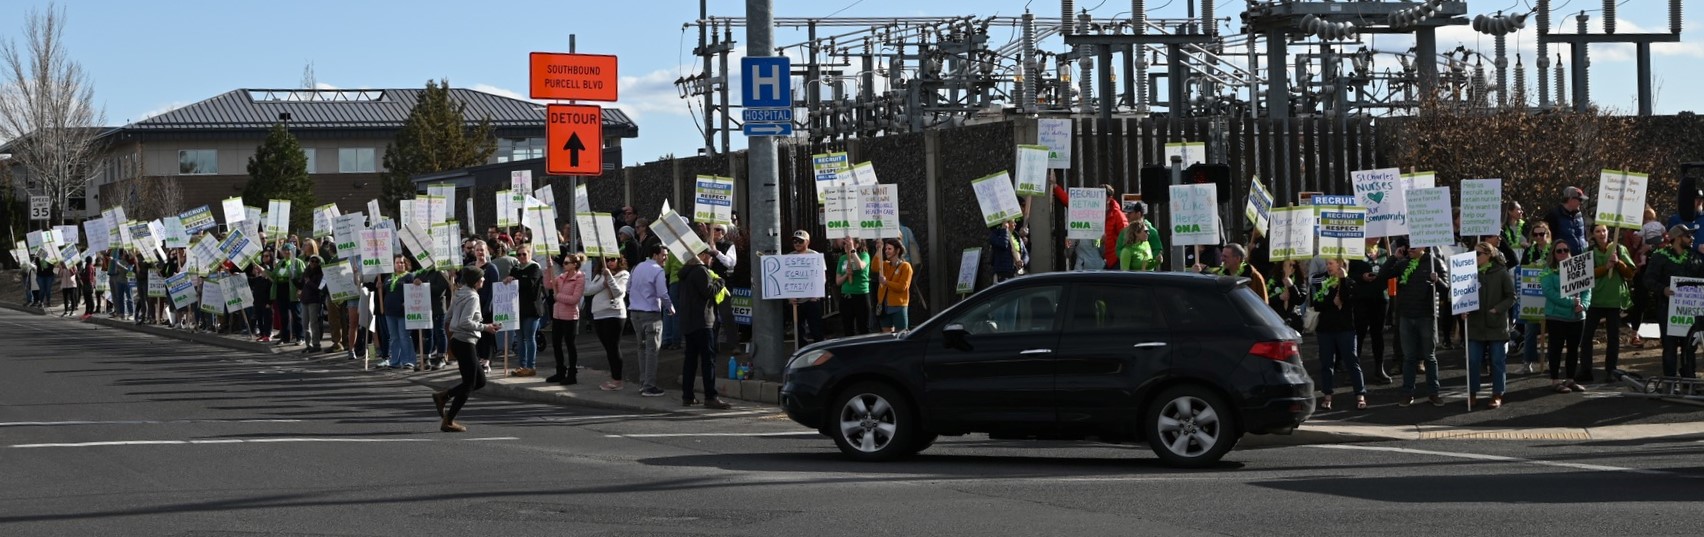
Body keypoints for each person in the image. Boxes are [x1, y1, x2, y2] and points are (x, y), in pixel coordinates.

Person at [1378, 240, 1448, 407]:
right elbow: (1382, 276)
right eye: (1408, 247)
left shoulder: (1435, 262)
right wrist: (1393, 258)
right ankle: (1407, 393)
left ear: (1424, 247)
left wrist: (1437, 281)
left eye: (1414, 246)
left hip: (1426, 316)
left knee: (1429, 357)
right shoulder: (1402, 264)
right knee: (1408, 358)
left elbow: (1446, 290)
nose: (1410, 249)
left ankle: (1433, 392)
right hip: (1406, 317)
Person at [433, 266, 499, 433]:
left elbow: (448, 317)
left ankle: (444, 396)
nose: (484, 280)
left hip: (459, 341)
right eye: (481, 278)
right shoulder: (472, 297)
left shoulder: (459, 293)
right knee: (470, 383)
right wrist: (486, 327)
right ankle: (448, 419)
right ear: (476, 281)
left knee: (480, 381)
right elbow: (464, 322)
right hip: (465, 341)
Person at [1464, 242, 1517, 410]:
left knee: (1497, 361)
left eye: (1478, 254)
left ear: (1489, 255)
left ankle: (1497, 393)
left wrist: (1497, 309)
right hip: (1475, 324)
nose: (1475, 257)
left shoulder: (1501, 273)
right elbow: (1460, 295)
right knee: (1473, 360)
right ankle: (1472, 392)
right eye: (1474, 254)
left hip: (1496, 325)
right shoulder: (1467, 273)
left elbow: (1511, 297)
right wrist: (1462, 309)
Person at [1645, 224, 1702, 378]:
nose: (1692, 239)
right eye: (1688, 236)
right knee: (1669, 347)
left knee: (1689, 346)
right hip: (1666, 308)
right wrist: (1662, 289)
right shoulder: (1659, 256)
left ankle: (1689, 378)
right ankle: (1670, 380)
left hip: (1690, 312)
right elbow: (1648, 279)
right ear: (1677, 238)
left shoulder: (1695, 257)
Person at [1582, 223, 1635, 383]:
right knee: (1586, 337)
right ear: (1593, 234)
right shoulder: (1588, 252)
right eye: (1598, 231)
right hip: (1594, 300)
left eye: (1604, 230)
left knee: (1613, 338)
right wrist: (1605, 268)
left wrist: (1618, 263)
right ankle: (1585, 370)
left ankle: (1611, 370)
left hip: (1614, 300)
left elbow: (1630, 274)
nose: (1601, 233)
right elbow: (1585, 275)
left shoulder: (1619, 248)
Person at [679, 248, 731, 409]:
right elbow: (709, 292)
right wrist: (720, 282)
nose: (712, 260)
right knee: (708, 361)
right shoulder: (701, 271)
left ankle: (687, 395)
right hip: (703, 321)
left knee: (690, 361)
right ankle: (711, 396)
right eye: (710, 256)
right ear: (702, 256)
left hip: (689, 322)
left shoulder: (685, 273)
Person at [1311, 257, 1365, 411]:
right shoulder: (1323, 281)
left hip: (1345, 329)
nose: (1328, 267)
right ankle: (1327, 395)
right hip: (1325, 329)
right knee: (1326, 364)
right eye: (1327, 264)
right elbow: (1317, 303)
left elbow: (1351, 299)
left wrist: (1343, 281)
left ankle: (1360, 394)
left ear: (1340, 264)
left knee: (1352, 362)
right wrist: (1331, 303)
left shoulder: (1350, 282)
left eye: (1331, 264)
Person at [1542, 239, 1592, 393]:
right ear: (1554, 254)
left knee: (1573, 349)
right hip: (1556, 316)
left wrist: (1583, 305)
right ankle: (1555, 380)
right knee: (1555, 349)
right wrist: (1571, 302)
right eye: (1559, 251)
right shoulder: (1548, 270)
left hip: (1577, 317)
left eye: (1565, 250)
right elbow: (1549, 292)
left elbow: (1587, 290)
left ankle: (1570, 379)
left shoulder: (1579, 267)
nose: (1563, 253)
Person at [1048, 179, 1127, 269]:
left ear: (1109, 198)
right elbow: (1072, 203)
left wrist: (1120, 255)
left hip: (1113, 260)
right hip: (1100, 263)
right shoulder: (1088, 213)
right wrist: (1056, 188)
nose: (1098, 199)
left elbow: (1125, 237)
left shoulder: (1117, 215)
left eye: (1102, 196)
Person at [629, 244, 673, 397]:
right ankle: (649, 385)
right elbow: (662, 292)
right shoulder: (658, 270)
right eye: (664, 255)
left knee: (642, 349)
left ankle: (643, 383)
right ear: (655, 255)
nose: (666, 258)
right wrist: (670, 307)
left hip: (635, 312)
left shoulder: (637, 267)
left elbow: (629, 287)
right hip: (650, 313)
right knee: (652, 350)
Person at [1350, 237, 1393, 383]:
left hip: (1381, 299)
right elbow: (1349, 275)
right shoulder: (1355, 253)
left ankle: (1379, 369)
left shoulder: (1385, 252)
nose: (1377, 236)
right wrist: (1361, 277)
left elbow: (1391, 273)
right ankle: (1354, 371)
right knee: (1359, 334)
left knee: (1378, 335)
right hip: (1361, 299)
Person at [585, 256, 631, 391]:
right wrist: (602, 283)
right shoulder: (599, 274)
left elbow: (619, 292)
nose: (610, 262)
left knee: (613, 347)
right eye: (608, 260)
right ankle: (614, 376)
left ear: (619, 261)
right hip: (599, 314)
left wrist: (610, 278)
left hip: (614, 313)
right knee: (607, 347)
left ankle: (617, 379)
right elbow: (588, 290)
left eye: (613, 259)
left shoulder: (623, 274)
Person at [1517, 222, 1553, 373]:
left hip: (1550, 294)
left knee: (1553, 330)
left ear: (1547, 234)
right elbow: (1522, 269)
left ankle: (1552, 361)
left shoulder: (1553, 250)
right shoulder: (1529, 251)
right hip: (1532, 295)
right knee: (1530, 330)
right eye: (1535, 234)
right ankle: (1527, 362)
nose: (1538, 237)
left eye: (1541, 234)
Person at [548, 254, 586, 385]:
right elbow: (549, 284)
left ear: (574, 264)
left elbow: (575, 299)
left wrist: (559, 297)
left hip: (570, 316)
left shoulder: (579, 278)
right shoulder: (562, 277)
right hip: (557, 315)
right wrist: (549, 267)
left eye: (566, 263)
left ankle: (572, 373)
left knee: (570, 345)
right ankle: (560, 371)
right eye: (564, 263)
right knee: (556, 344)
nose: (564, 265)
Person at [507, 247, 545, 377]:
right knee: (520, 338)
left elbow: (529, 284)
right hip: (518, 309)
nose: (522, 256)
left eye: (524, 254)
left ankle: (530, 366)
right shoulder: (516, 269)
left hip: (531, 309)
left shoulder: (535, 268)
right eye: (519, 254)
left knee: (529, 338)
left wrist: (514, 280)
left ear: (529, 254)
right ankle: (522, 365)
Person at [382, 255, 421, 370]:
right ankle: (395, 361)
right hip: (390, 312)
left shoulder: (409, 276)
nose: (399, 264)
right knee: (394, 337)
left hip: (403, 312)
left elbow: (415, 289)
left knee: (404, 336)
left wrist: (417, 282)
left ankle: (409, 361)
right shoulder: (388, 277)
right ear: (393, 265)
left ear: (406, 264)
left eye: (402, 263)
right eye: (397, 262)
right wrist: (380, 286)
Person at [788, 230, 826, 345]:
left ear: (807, 242)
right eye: (795, 241)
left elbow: (822, 277)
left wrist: (816, 295)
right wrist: (789, 297)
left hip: (811, 300)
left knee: (816, 330)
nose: (797, 243)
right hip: (796, 301)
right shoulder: (789, 257)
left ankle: (820, 354)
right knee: (798, 332)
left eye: (800, 241)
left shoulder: (814, 256)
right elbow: (786, 278)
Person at [708, 224, 739, 353]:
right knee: (710, 316)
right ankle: (711, 345)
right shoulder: (706, 244)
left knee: (726, 315)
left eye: (718, 229)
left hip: (723, 285)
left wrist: (717, 254)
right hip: (709, 284)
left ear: (723, 232)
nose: (715, 232)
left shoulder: (728, 245)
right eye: (713, 229)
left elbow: (731, 263)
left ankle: (734, 344)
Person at [1199, 244, 1268, 301]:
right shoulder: (1218, 275)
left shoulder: (1255, 276)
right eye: (1222, 255)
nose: (1222, 259)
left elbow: (1264, 303)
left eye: (1225, 256)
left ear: (1237, 258)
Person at [835, 236, 872, 336]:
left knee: (863, 328)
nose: (846, 245)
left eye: (849, 243)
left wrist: (852, 250)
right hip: (846, 297)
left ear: (857, 244)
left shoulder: (864, 255)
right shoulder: (842, 258)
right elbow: (838, 281)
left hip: (860, 296)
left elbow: (860, 266)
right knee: (848, 329)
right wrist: (846, 275)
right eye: (845, 244)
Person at [874, 238, 913, 333]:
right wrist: (878, 249)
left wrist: (886, 282)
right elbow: (874, 266)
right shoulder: (886, 265)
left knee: (902, 335)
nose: (886, 251)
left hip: (898, 306)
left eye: (889, 249)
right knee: (886, 337)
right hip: (884, 307)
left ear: (898, 250)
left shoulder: (905, 266)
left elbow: (902, 287)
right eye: (886, 249)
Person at [271, 245, 305, 345]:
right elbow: (274, 275)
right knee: (283, 316)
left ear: (293, 251)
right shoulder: (281, 263)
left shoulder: (298, 262)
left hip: (292, 291)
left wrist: (300, 289)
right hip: (281, 291)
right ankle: (285, 338)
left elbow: (303, 277)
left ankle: (300, 337)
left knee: (296, 315)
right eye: (284, 250)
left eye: (288, 250)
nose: (286, 252)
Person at [1545, 186, 1589, 256]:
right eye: (1580, 200)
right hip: (1564, 258)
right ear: (1570, 199)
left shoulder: (1580, 215)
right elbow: (1548, 239)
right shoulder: (1554, 215)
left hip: (1581, 257)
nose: (1581, 203)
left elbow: (1584, 235)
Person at [1117, 202, 1159, 272]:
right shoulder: (1124, 232)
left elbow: (1158, 249)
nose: (1127, 216)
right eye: (1126, 213)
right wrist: (1128, 258)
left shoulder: (1151, 231)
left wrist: (1149, 263)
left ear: (1138, 214)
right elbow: (1118, 249)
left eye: (1130, 213)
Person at [300, 254, 325, 353]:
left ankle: (316, 344)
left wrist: (309, 282)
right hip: (305, 300)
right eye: (312, 261)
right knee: (305, 324)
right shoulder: (306, 272)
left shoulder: (321, 274)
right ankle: (308, 344)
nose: (313, 263)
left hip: (314, 301)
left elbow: (320, 288)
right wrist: (292, 278)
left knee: (314, 323)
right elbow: (301, 284)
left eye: (316, 261)